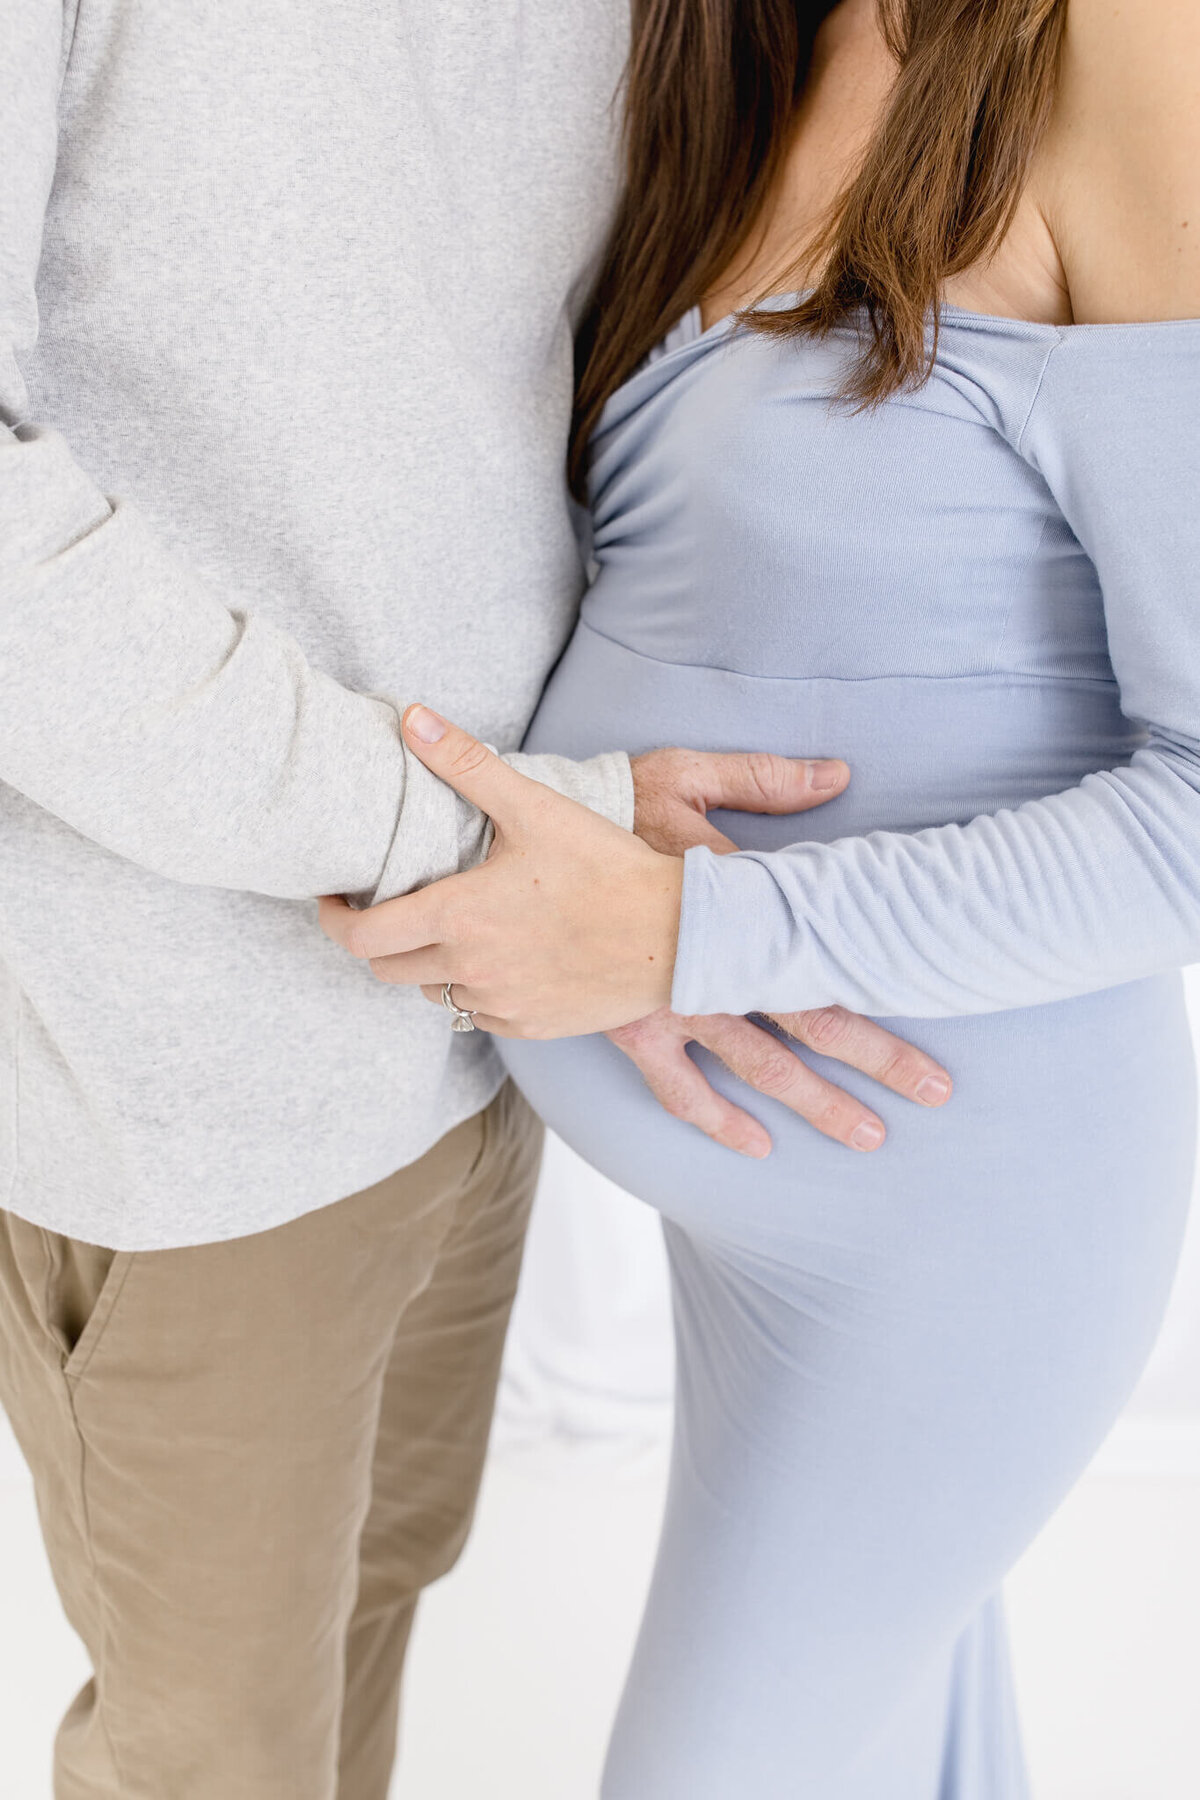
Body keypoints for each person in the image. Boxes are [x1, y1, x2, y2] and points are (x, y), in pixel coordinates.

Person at [0, 4, 954, 1796]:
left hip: (482, 1013)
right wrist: (459, 833)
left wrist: (583, 871)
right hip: (181, 1057)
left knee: (379, 1603)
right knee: (226, 1759)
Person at [322, 0, 1200, 1792]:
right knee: (905, 1749)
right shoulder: (716, 51)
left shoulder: (1122, 47)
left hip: (954, 1203)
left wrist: (684, 933)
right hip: (736, 1178)